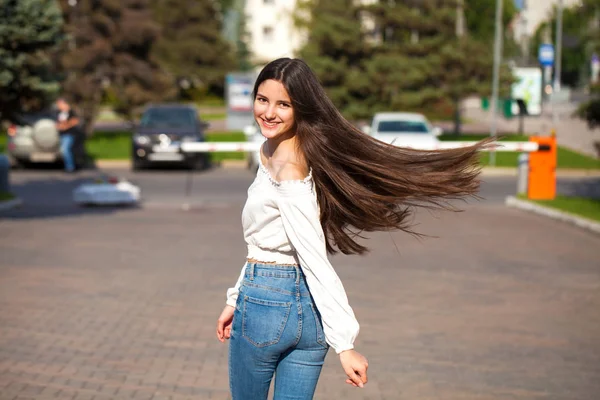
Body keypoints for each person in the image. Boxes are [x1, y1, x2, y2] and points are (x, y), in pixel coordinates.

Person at [216, 58, 491, 399]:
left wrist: (345, 344)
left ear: (301, 107)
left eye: (283, 104)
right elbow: (270, 240)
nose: (269, 112)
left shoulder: (288, 170)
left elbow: (314, 257)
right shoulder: (282, 152)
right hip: (305, 316)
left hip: (266, 307)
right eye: (262, 99)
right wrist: (234, 296)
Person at [55, 98, 81, 173]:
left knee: (65, 150)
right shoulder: (59, 112)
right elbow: (59, 122)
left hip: (69, 134)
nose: (58, 106)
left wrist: (66, 126)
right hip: (62, 134)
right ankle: (68, 166)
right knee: (65, 150)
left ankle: (70, 167)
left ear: (64, 104)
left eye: (59, 104)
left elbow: (75, 121)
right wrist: (58, 126)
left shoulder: (71, 112)